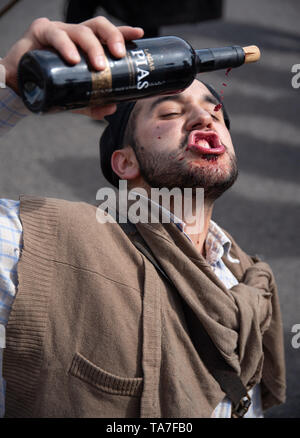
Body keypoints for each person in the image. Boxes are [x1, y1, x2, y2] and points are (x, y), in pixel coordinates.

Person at [0, 16, 286, 418]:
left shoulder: (246, 276)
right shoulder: (46, 247)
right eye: (169, 113)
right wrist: (9, 85)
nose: (205, 118)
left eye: (216, 111)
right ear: (124, 162)